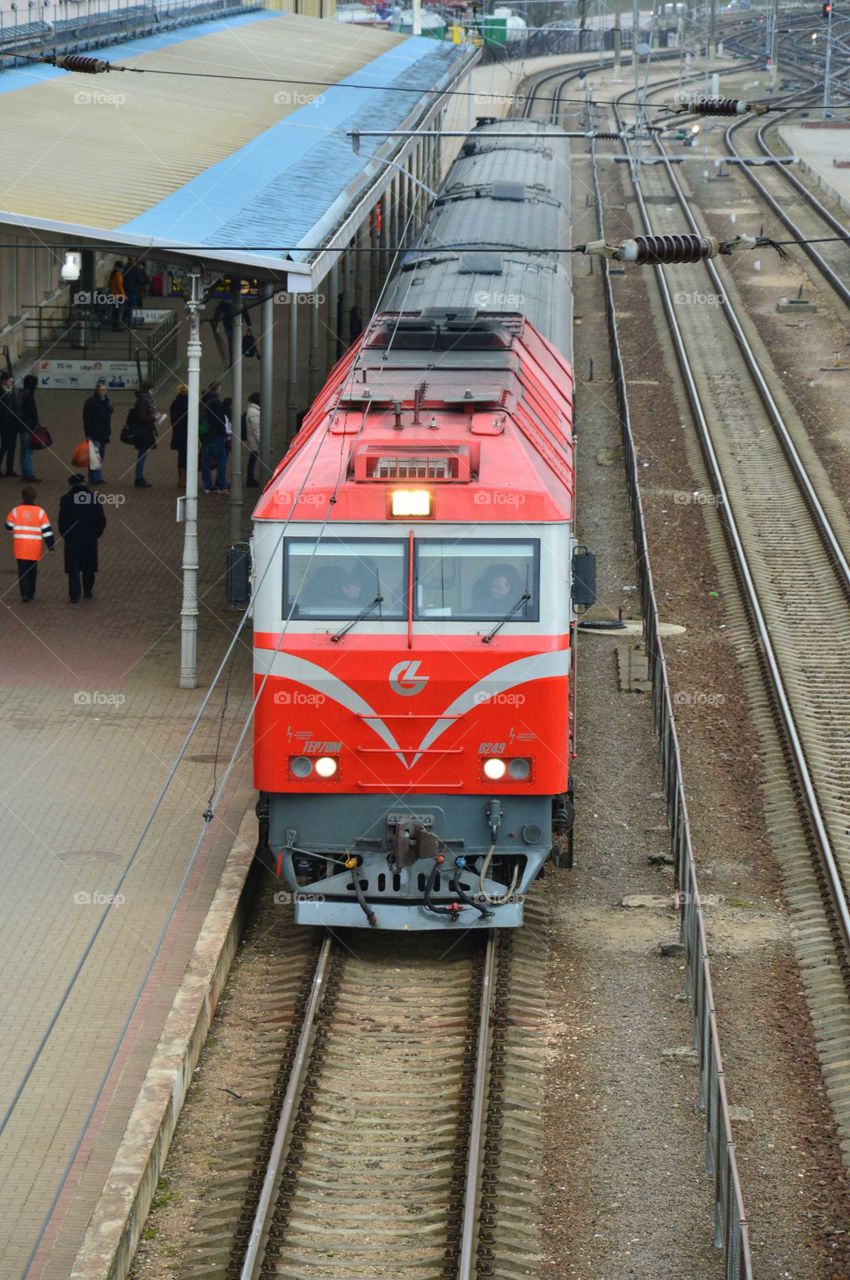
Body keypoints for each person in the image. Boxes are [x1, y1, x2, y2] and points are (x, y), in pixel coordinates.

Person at [58, 474, 106, 603]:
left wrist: (66, 535)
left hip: (72, 539)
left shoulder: (66, 500)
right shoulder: (94, 498)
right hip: (90, 538)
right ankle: (88, 590)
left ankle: (74, 594)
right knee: (88, 566)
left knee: (73, 568)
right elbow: (101, 520)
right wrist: (96, 533)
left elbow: (62, 522)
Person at [5, 483, 54, 601]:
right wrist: (51, 546)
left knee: (22, 572)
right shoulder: (40, 512)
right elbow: (47, 531)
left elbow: (8, 525)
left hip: (20, 546)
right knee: (32, 570)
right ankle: (31, 592)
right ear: (34, 497)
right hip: (34, 547)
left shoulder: (16, 511)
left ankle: (24, 594)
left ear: (23, 496)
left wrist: (14, 530)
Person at [127, 383, 158, 487]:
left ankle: (139, 477)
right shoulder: (144, 401)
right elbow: (143, 417)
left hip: (143, 430)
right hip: (143, 431)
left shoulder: (142, 400)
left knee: (142, 454)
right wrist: (154, 418)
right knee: (142, 455)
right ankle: (139, 478)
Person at [200, 380, 229, 493]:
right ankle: (221, 485)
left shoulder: (203, 401)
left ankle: (207, 485)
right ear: (217, 389)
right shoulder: (216, 402)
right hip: (217, 435)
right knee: (222, 460)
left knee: (206, 460)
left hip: (205, 435)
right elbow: (220, 420)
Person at [82, 378, 113, 484]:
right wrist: (88, 434)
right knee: (95, 455)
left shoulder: (106, 402)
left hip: (104, 432)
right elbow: (87, 419)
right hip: (95, 433)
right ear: (97, 390)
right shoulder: (91, 402)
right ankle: (94, 477)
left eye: (104, 390)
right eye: (101, 390)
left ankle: (97, 476)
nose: (103, 392)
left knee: (100, 455)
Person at [18, 375, 41, 482]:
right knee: (27, 451)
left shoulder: (23, 393)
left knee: (24, 451)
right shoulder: (28, 395)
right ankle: (29, 474)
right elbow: (30, 412)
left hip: (23, 426)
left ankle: (25, 473)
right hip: (27, 426)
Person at [169, 383, 189, 489]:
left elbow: (173, 419)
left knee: (181, 456)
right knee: (187, 457)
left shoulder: (175, 403)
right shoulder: (189, 403)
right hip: (188, 433)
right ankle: (185, 479)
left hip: (178, 433)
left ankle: (181, 479)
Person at [0, 370, 19, 477]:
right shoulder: (2, 391)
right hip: (4, 421)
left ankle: (9, 469)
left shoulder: (10, 389)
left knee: (12, 446)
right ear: (4, 380)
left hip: (12, 420)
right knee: (5, 445)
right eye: (8, 380)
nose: (10, 381)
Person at [245, 392, 261, 487]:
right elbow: (256, 429)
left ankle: (250, 478)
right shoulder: (254, 413)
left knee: (253, 459)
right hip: (254, 441)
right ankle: (250, 479)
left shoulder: (252, 411)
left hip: (253, 439)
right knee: (253, 459)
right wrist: (262, 441)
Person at [108, 259, 126, 331]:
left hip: (113, 295)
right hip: (118, 296)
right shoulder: (118, 274)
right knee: (118, 312)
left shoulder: (112, 273)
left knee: (114, 311)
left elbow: (109, 284)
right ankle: (116, 327)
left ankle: (114, 326)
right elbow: (120, 286)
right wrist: (124, 295)